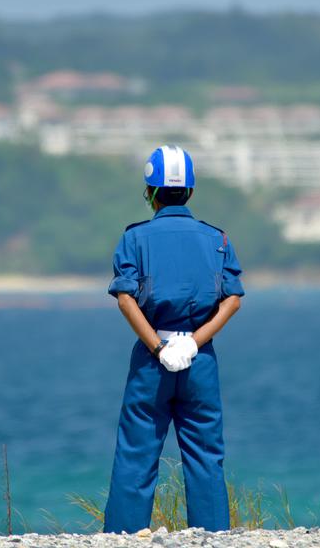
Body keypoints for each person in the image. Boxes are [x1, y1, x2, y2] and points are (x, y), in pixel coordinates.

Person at [103, 144, 245, 533]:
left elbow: (125, 299)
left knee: (137, 452)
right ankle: (213, 537)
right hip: (200, 359)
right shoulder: (218, 239)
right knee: (205, 454)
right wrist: (194, 343)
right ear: (191, 192)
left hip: (153, 359)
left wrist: (158, 347)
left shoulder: (135, 239)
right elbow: (232, 300)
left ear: (149, 192)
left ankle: (123, 538)